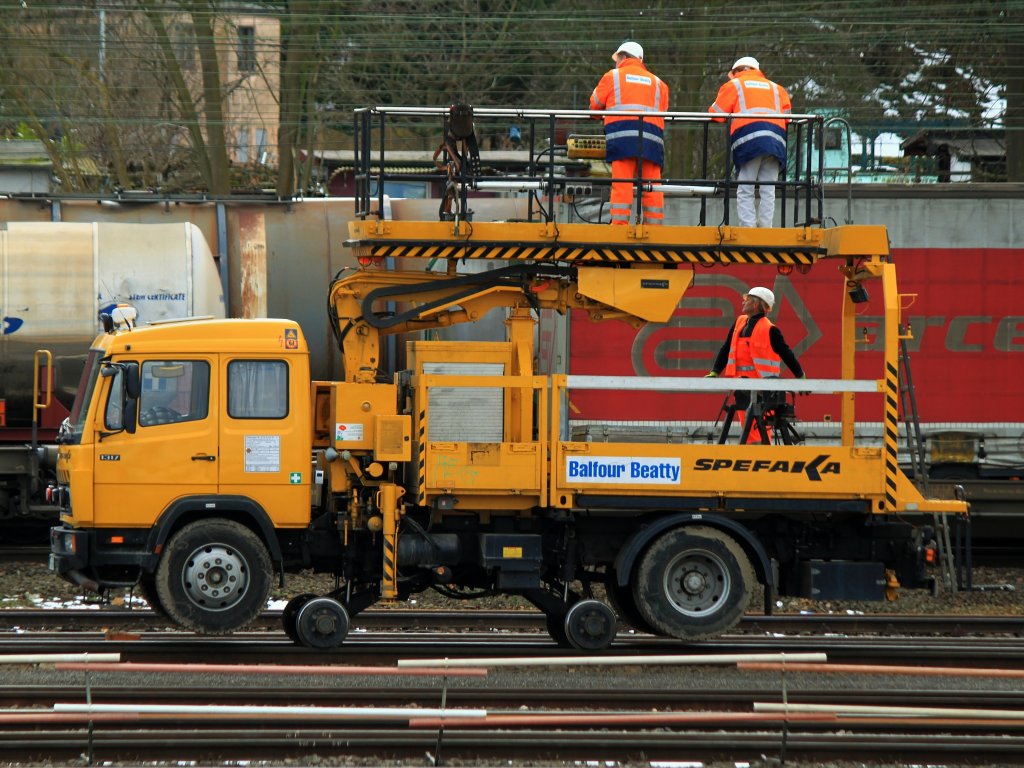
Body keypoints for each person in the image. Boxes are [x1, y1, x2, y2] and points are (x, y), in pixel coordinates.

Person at [706, 287, 804, 443]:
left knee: (758, 430)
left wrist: (801, 376)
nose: (744, 301)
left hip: (762, 391)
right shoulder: (739, 322)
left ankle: (759, 458)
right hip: (742, 386)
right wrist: (715, 371)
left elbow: (787, 354)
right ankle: (753, 456)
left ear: (759, 304)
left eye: (749, 298)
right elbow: (726, 348)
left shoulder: (770, 329)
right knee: (747, 426)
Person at [589, 41, 670, 226]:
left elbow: (594, 107)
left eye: (617, 59)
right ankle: (654, 228)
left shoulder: (612, 77)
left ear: (623, 57)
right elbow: (663, 110)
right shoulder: (659, 84)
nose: (616, 62)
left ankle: (619, 226)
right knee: (652, 187)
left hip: (622, 137)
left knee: (622, 184)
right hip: (652, 140)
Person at [709, 56, 791, 228]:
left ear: (737, 71)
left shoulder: (735, 85)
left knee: (745, 187)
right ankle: (765, 229)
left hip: (750, 141)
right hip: (776, 142)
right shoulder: (777, 88)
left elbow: (716, 114)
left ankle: (749, 228)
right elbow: (788, 118)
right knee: (768, 190)